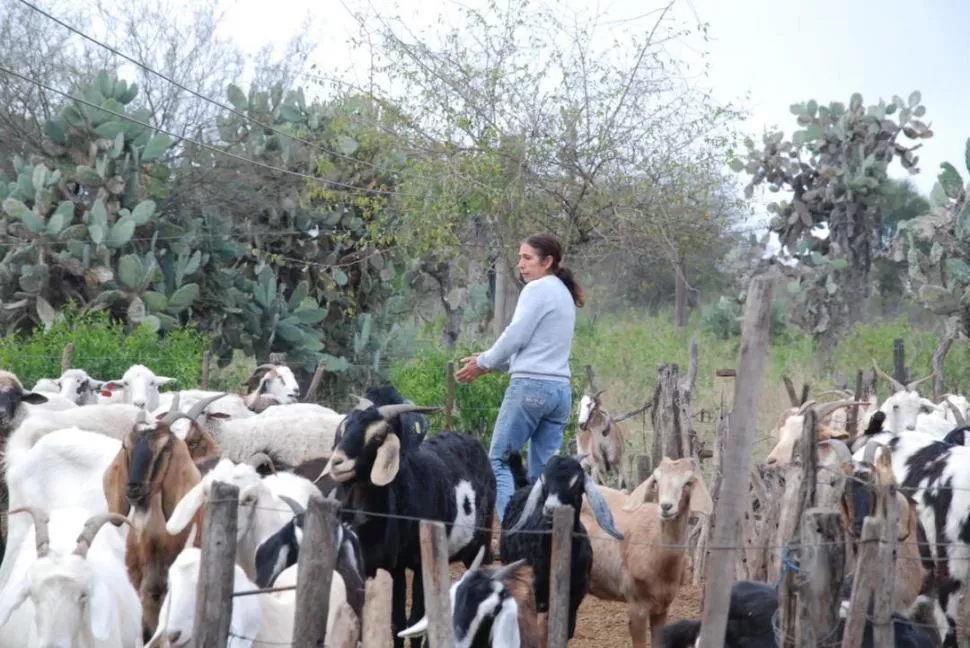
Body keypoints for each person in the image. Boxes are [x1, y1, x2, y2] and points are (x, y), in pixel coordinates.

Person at [455, 233, 584, 521]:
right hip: (559, 392)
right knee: (543, 471)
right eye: (519, 257)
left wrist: (485, 361)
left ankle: (514, 529)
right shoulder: (563, 293)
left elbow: (515, 336)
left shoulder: (537, 289)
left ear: (547, 261)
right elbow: (535, 351)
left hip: (530, 390)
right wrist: (490, 364)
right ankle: (542, 532)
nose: (520, 264)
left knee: (498, 461)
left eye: (527, 258)